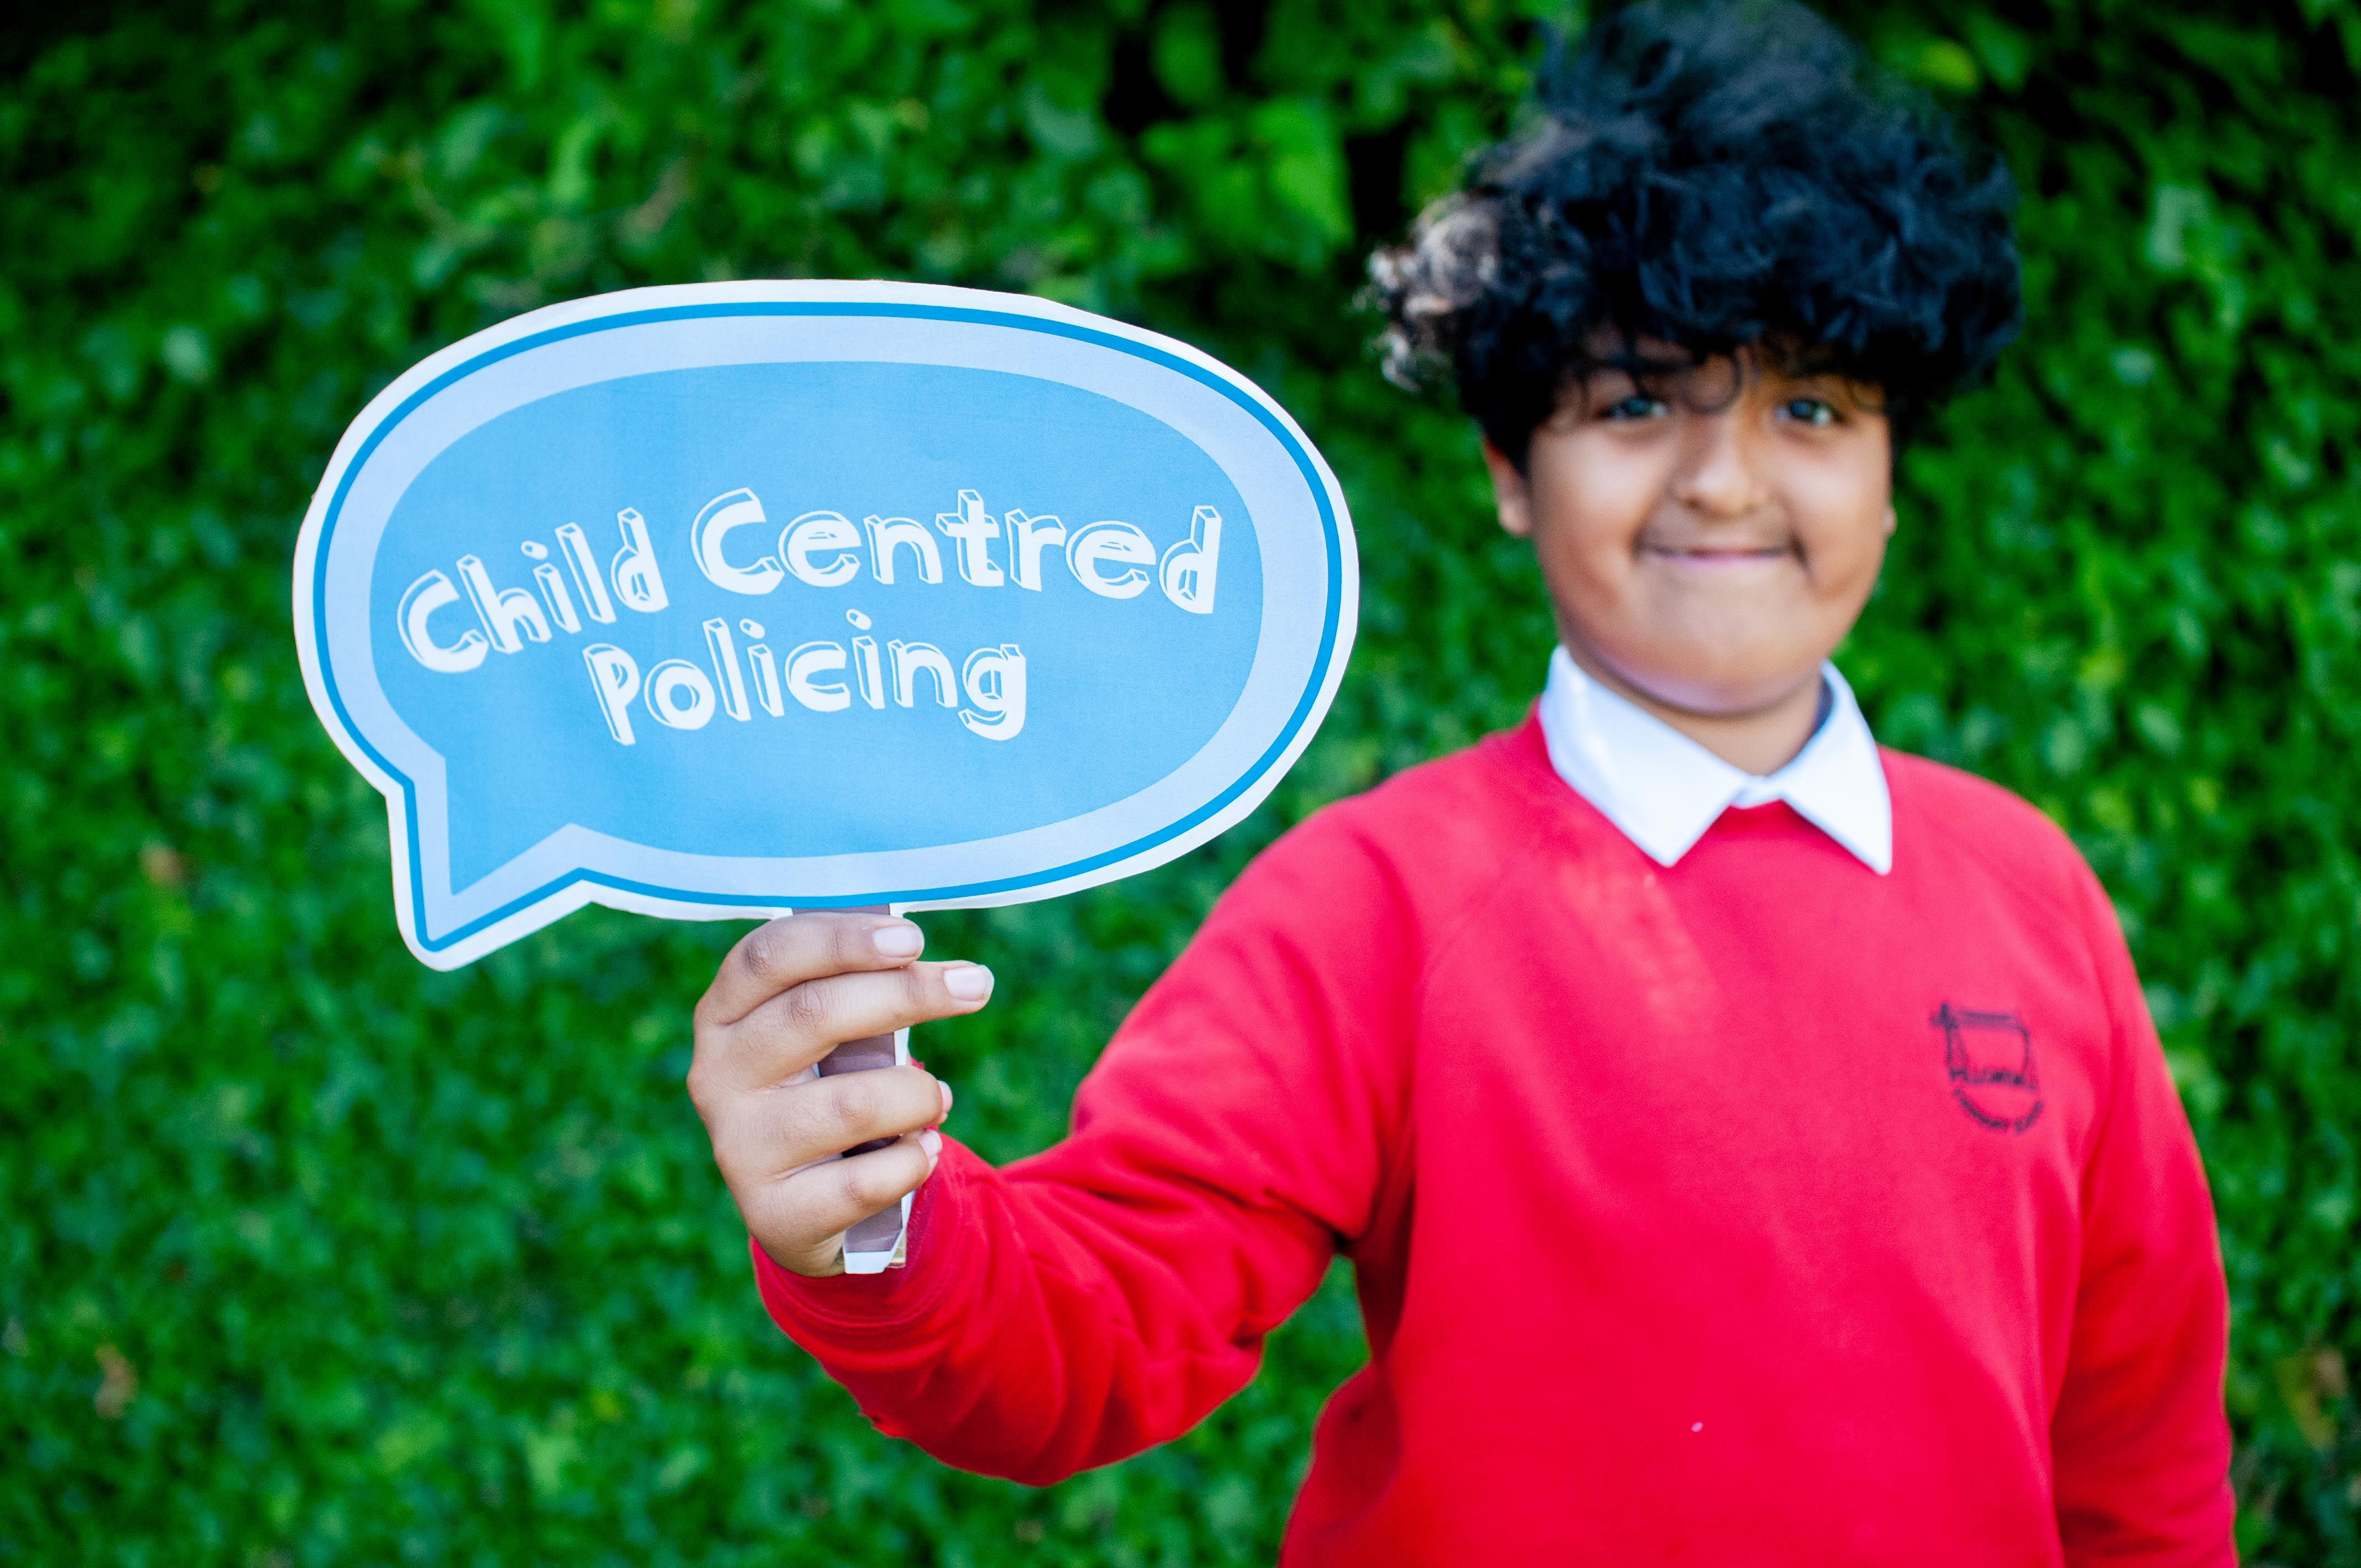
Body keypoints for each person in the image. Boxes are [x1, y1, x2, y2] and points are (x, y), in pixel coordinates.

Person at [683, 2, 2236, 1559]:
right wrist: (878, 1217)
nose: (1727, 480)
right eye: (1637, 403)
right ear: (1509, 466)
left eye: (1812, 409)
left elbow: (2141, 1449)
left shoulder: (2029, 891)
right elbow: (1098, 1331)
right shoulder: (1373, 905)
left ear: (1891, 476)